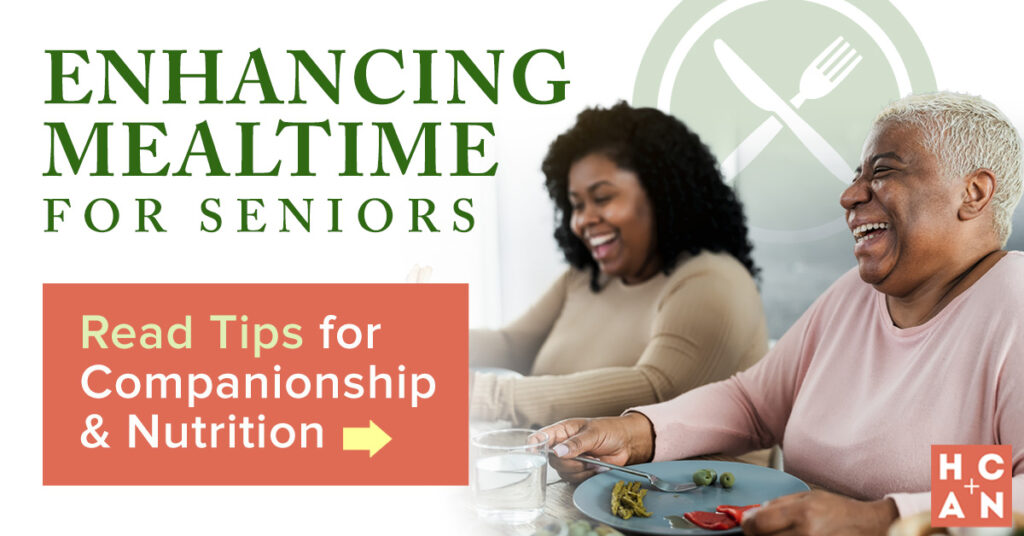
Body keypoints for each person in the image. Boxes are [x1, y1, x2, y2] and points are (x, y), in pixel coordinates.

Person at [540, 92, 1024, 534]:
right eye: (857, 176)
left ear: (974, 193)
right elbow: (753, 403)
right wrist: (635, 433)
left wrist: (879, 518)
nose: (851, 195)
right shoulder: (854, 296)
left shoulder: (1013, 303)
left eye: (883, 172)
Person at [470, 102, 769, 428]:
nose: (583, 220)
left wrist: (485, 396)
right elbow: (512, 346)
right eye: (576, 205)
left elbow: (656, 390)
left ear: (661, 193)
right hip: (570, 475)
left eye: (602, 199)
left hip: (688, 481)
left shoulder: (712, 280)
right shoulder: (586, 278)